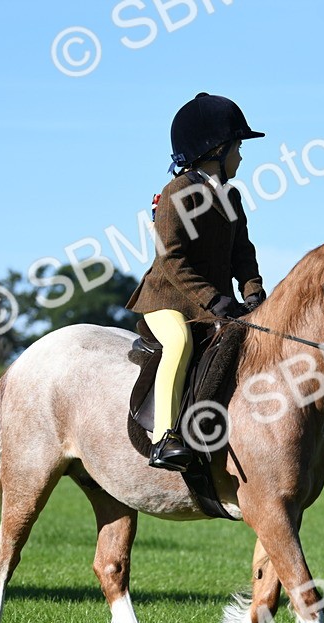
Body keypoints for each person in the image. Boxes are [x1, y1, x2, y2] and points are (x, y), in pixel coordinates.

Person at [126, 92, 267, 471]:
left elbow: (243, 253)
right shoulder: (177, 193)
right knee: (179, 341)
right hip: (166, 301)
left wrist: (252, 291)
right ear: (216, 149)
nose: (241, 155)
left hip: (213, 303)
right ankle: (165, 438)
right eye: (237, 146)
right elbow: (170, 257)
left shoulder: (231, 197)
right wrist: (214, 299)